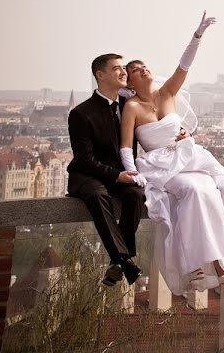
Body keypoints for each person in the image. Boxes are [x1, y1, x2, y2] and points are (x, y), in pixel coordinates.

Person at [120, 12, 224, 294]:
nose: (143, 69)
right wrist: (132, 172)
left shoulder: (168, 93)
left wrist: (197, 36)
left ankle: (219, 266)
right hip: (161, 167)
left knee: (210, 189)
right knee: (194, 192)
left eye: (144, 66)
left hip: (187, 157)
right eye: (135, 70)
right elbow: (126, 145)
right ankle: (195, 267)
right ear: (130, 83)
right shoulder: (132, 108)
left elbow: (184, 65)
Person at [67, 53, 188, 286]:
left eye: (124, 68)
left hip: (121, 174)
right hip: (89, 175)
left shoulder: (129, 105)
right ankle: (124, 259)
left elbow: (157, 119)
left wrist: (183, 133)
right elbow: (83, 160)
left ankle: (117, 261)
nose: (123, 71)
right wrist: (116, 175)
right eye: (116, 68)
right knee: (97, 194)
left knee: (135, 194)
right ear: (100, 75)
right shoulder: (81, 113)